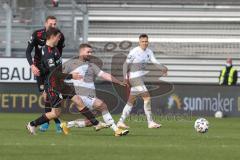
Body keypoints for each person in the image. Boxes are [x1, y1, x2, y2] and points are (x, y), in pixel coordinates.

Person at [26, 28, 108, 135]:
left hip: (60, 83)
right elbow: (54, 73)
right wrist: (71, 76)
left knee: (78, 100)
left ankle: (96, 123)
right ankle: (32, 124)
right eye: (58, 36)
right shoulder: (47, 53)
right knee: (55, 113)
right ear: (52, 36)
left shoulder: (54, 48)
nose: (60, 39)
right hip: (53, 86)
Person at [61, 43, 129, 136]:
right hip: (82, 95)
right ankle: (116, 130)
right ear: (81, 52)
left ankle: (67, 124)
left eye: (91, 52)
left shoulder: (91, 65)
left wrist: (118, 82)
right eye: (88, 52)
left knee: (89, 121)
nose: (90, 54)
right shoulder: (71, 64)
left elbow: (104, 75)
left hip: (91, 95)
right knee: (103, 106)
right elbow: (59, 76)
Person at [117, 34, 168, 129]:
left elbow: (154, 61)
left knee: (130, 101)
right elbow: (125, 64)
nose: (144, 43)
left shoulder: (149, 52)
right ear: (139, 42)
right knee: (147, 97)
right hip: (134, 77)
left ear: (148, 42)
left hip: (140, 78)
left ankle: (120, 122)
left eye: (146, 41)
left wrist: (163, 68)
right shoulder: (134, 51)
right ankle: (150, 122)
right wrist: (124, 78)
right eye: (142, 41)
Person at [26, 16, 64, 133]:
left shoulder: (59, 36)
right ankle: (52, 122)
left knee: (49, 94)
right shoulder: (37, 34)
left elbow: (58, 54)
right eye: (51, 24)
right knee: (45, 95)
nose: (53, 26)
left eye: (55, 24)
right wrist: (32, 65)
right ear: (45, 23)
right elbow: (28, 51)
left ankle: (51, 122)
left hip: (51, 68)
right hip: (39, 68)